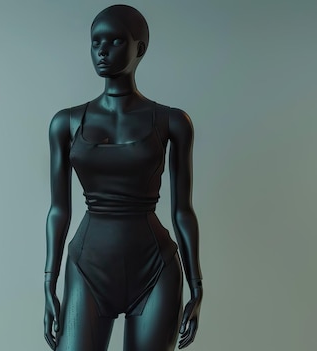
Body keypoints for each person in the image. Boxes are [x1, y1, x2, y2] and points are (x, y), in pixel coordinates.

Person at [43, 5, 203, 351]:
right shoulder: (66, 124)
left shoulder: (172, 122)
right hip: (88, 268)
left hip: (154, 270)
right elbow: (59, 210)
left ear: (139, 49)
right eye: (95, 42)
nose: (102, 50)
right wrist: (48, 283)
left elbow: (182, 211)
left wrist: (197, 283)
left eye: (115, 41)